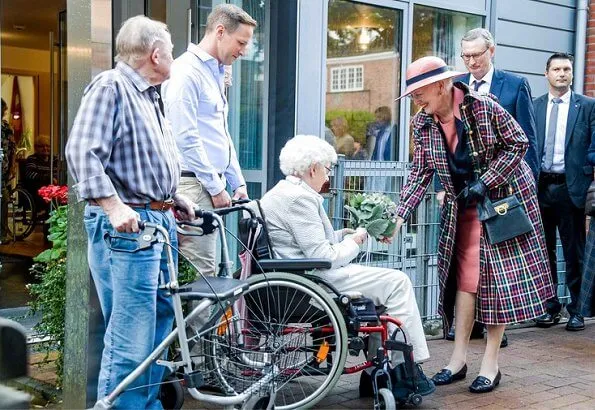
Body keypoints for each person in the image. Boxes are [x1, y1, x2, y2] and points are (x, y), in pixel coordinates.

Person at [393, 56, 553, 393]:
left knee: (498, 282)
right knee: (464, 280)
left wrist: (487, 181)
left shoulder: (483, 108)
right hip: (462, 206)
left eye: (418, 92)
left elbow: (518, 144)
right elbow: (420, 173)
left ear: (441, 85)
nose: (415, 100)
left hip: (502, 201)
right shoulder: (422, 124)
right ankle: (457, 360)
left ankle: (490, 364)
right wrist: (397, 215)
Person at [65, 16, 195, 408]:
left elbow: (142, 161)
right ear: (156, 53)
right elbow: (81, 153)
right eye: (171, 49)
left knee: (157, 328)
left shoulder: (149, 94)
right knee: (131, 334)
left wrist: (173, 198)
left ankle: (144, 405)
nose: (173, 55)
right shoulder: (112, 87)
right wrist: (112, 205)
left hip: (155, 220)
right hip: (129, 230)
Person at [259, 134, 435, 398]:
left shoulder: (284, 192)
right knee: (397, 282)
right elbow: (323, 255)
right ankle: (405, 369)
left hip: (302, 275)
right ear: (313, 168)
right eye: (327, 169)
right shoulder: (299, 198)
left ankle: (380, 370)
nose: (328, 177)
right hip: (314, 281)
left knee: (385, 288)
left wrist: (341, 235)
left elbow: (306, 243)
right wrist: (355, 242)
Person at [439, 28, 540, 346]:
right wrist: (444, 186)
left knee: (498, 263)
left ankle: (497, 323)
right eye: (465, 56)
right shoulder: (455, 88)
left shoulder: (515, 85)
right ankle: (467, 325)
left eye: (476, 55)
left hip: (502, 190)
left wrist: (526, 192)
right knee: (465, 260)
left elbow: (527, 141)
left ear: (491, 51)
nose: (470, 62)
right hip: (464, 192)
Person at [163, 4, 255, 277]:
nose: (244, 51)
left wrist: (237, 182)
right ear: (219, 31)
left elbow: (219, 134)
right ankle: (192, 323)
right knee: (204, 276)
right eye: (241, 42)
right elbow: (185, 137)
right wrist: (216, 188)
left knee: (210, 273)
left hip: (205, 183)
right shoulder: (186, 72)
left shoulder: (214, 72)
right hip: (193, 185)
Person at [533, 53, 595, 332]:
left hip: (572, 189)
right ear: (546, 73)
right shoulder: (534, 107)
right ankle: (549, 307)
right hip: (540, 187)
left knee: (574, 253)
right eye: (556, 69)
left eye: (566, 69)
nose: (562, 73)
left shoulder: (588, 107)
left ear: (572, 74)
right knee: (542, 252)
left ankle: (577, 310)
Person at [24, 135, 57, 215]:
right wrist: (48, 178)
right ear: (36, 148)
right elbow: (30, 175)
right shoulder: (32, 159)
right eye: (41, 146)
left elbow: (59, 172)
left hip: (54, 188)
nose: (45, 148)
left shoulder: (55, 159)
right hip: (38, 191)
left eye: (47, 146)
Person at [1, 98, 16, 242]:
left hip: (3, 171)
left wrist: (12, 166)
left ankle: (3, 234)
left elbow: (12, 148)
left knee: (4, 199)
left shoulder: (6, 127)